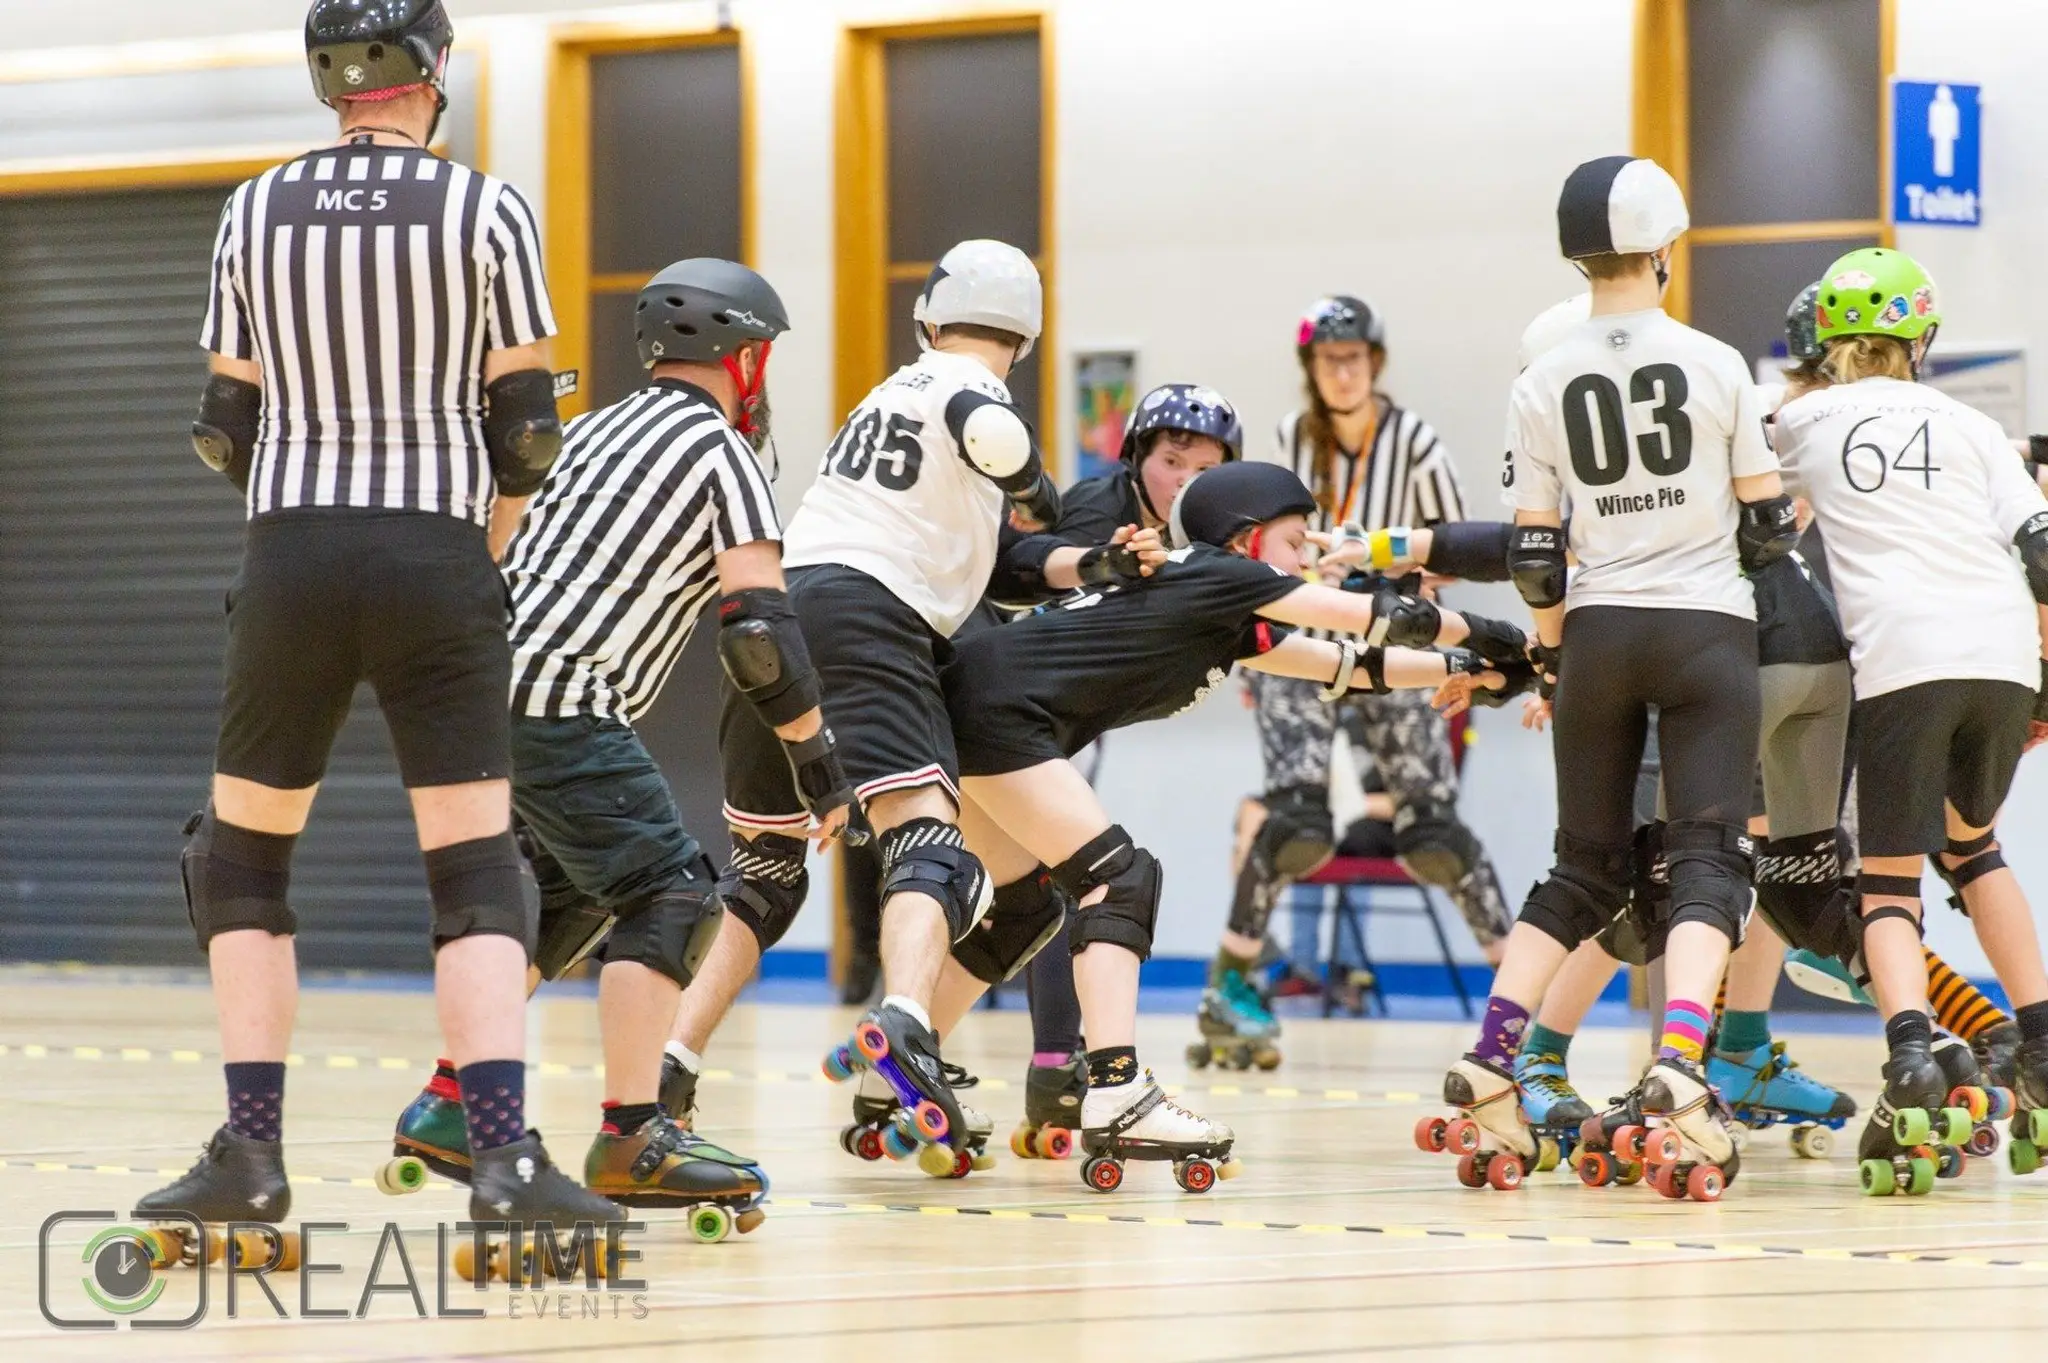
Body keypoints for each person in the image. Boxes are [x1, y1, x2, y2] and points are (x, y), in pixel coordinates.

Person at [139, 0, 617, 1242]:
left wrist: (305, 527)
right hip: (436, 551)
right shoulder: (485, 209)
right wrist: (478, 532)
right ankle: (504, 1168)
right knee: (473, 867)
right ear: (436, 70)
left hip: (292, 551)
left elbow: (223, 426)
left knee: (239, 858)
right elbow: (524, 423)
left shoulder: (255, 208)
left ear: (327, 80)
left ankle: (250, 1157)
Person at [378, 260, 852, 1236]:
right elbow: (759, 632)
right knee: (672, 894)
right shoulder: (721, 452)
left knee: (571, 894)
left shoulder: (584, 431)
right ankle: (635, 1133)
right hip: (565, 699)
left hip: (477, 690)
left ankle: (451, 1099)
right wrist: (818, 763)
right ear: (747, 358)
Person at [920, 458, 1532, 1189]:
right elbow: (1381, 619)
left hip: (985, 710)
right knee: (1120, 880)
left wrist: (1474, 669)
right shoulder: (1219, 574)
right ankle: (1116, 1091)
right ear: (1246, 539)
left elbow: (1352, 665)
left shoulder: (1223, 610)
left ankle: (901, 1063)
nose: (1308, 556)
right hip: (998, 716)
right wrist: (1509, 642)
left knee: (1018, 911)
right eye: (1297, 539)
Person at [1429, 154, 1795, 1200]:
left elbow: (1535, 557)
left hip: (1596, 627)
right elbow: (1766, 530)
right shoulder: (1716, 361)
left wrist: (1550, 648)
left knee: (1582, 866)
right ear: (1665, 250)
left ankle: (1492, 1053)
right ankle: (1677, 1061)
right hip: (1705, 630)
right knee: (1708, 858)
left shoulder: (1539, 376)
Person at [661, 239, 1062, 1175]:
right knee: (929, 840)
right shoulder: (970, 386)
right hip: (864, 609)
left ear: (927, 315)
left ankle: (668, 1067)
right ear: (1027, 339)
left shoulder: (889, 390)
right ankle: (909, 1022)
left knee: (765, 872)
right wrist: (1041, 492)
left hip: (774, 608)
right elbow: (991, 435)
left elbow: (991, 562)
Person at [1772, 246, 2048, 1191]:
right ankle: (2044, 1047)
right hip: (2005, 658)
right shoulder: (1972, 424)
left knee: (1888, 888)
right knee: (1976, 851)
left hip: (1905, 657)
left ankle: (1909, 1065)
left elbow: (1726, 487)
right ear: (1919, 337)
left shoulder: (1804, 419)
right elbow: (2041, 546)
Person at [1212, 294, 1516, 1070]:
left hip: (1392, 642)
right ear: (1312, 371)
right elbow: (1259, 552)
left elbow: (1453, 552)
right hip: (1303, 647)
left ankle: (1522, 1003)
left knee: (1435, 833)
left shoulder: (1415, 443)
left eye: (1353, 358)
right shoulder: (1288, 440)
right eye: (1327, 360)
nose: (1341, 372)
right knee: (1296, 822)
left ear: (1374, 364)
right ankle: (1229, 990)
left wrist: (1394, 589)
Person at [986, 383, 1237, 1154]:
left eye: (1205, 467)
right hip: (1008, 707)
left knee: (1035, 888)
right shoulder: (1103, 511)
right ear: (1138, 459)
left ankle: (924, 1048)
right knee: (1078, 878)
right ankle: (1060, 1068)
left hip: (1046, 715)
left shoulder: (1196, 530)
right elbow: (1013, 569)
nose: (1185, 481)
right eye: (1171, 462)